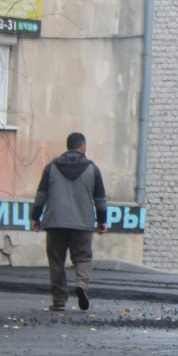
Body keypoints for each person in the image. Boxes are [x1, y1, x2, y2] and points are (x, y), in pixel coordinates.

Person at [31, 132, 108, 311]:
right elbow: (100, 199)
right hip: (82, 224)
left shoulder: (51, 167)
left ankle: (59, 301)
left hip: (55, 222)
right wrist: (102, 221)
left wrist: (36, 216)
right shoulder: (93, 169)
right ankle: (81, 285)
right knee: (83, 258)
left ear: (68, 146)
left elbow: (41, 195)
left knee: (57, 261)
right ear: (82, 147)